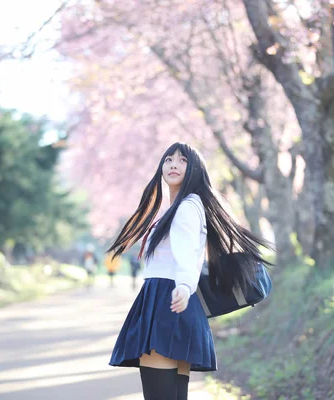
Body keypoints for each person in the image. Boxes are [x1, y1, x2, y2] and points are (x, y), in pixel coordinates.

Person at [107, 142, 272, 399]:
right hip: (174, 304)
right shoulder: (185, 206)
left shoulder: (186, 207)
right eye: (169, 159)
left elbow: (187, 255)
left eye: (182, 160)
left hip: (167, 303)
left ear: (195, 168)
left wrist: (183, 286)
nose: (173, 164)